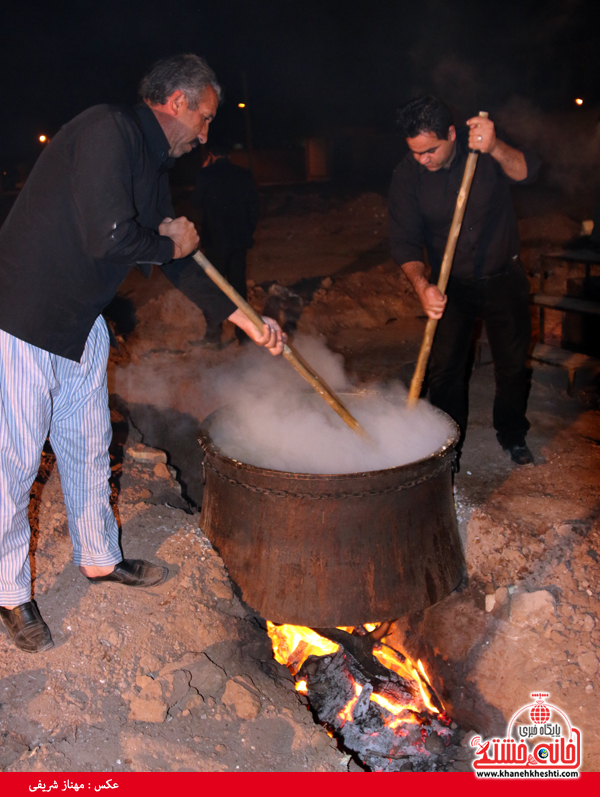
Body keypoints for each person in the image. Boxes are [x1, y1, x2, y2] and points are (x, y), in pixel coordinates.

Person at [0, 54, 285, 654]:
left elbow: (172, 260)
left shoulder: (151, 164)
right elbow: (108, 237)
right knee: (16, 460)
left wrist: (249, 321)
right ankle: (9, 593)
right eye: (204, 118)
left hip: (81, 321)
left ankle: (100, 558)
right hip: (23, 320)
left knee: (87, 445)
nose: (207, 134)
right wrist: (168, 238)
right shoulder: (109, 130)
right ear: (176, 102)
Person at [388, 96, 540, 468]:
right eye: (415, 152)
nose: (423, 159)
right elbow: (404, 240)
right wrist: (422, 286)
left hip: (504, 276)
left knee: (512, 364)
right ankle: (446, 447)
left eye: (431, 151)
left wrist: (496, 146)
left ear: (452, 134)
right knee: (446, 370)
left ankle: (512, 434)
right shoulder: (407, 175)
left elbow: (527, 171)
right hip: (449, 283)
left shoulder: (483, 149)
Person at [191, 143, 259, 346]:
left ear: (211, 154)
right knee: (238, 287)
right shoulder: (243, 174)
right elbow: (254, 208)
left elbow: (195, 202)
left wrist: (203, 171)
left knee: (214, 288)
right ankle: (244, 335)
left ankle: (213, 336)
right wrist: (247, 232)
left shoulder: (207, 174)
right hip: (238, 241)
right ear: (229, 154)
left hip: (215, 242)